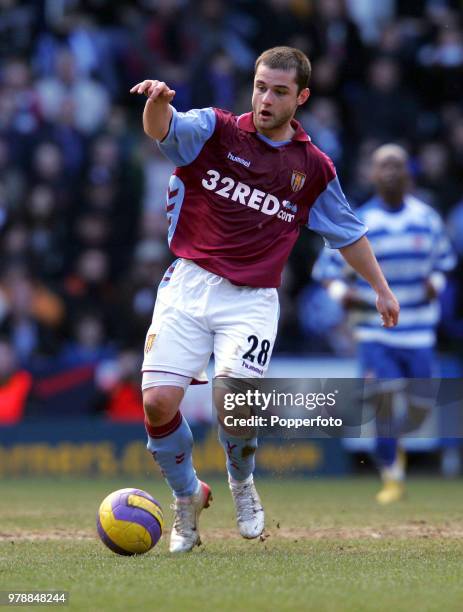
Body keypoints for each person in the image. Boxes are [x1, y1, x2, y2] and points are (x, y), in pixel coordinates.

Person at [130, 46, 399, 553]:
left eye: (279, 91)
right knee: (157, 403)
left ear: (302, 97)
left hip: (251, 300)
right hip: (188, 283)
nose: (266, 98)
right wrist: (157, 100)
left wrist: (380, 288)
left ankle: (241, 483)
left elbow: (347, 234)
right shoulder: (214, 130)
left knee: (235, 405)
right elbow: (160, 128)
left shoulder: (313, 168)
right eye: (260, 86)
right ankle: (187, 496)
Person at [313, 144, 456, 504]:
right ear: (373, 175)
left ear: (409, 172)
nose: (390, 171)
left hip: (420, 329)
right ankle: (391, 474)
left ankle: (402, 453)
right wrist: (343, 296)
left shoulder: (427, 218)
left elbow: (444, 265)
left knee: (421, 403)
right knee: (385, 401)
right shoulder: (360, 222)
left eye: (396, 165)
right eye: (383, 166)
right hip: (375, 329)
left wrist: (434, 286)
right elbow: (327, 273)